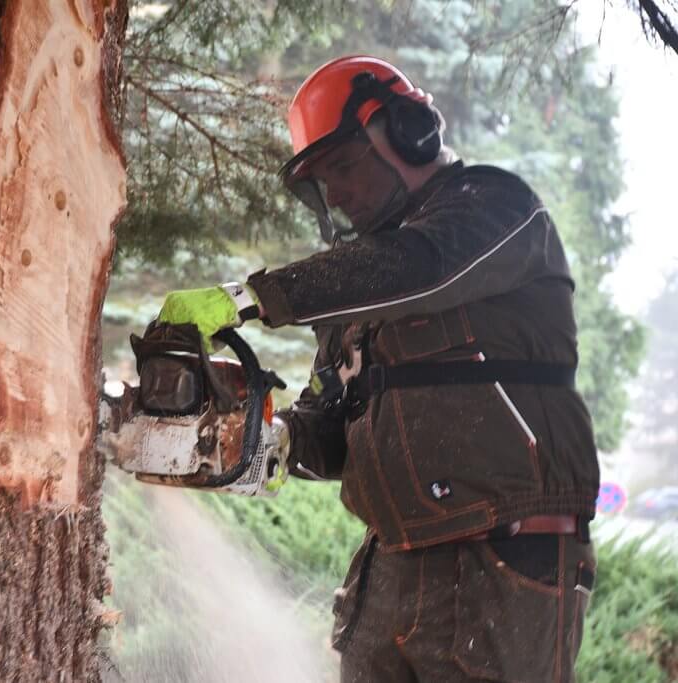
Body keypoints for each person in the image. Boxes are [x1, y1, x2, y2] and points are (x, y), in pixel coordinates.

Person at [156, 55, 599, 682]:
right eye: (320, 180)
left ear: (406, 131)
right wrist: (255, 442)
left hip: (500, 555)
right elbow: (328, 430)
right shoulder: (354, 305)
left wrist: (248, 297)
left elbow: (421, 267)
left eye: (341, 166)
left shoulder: (497, 209)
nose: (334, 193)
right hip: (390, 562)